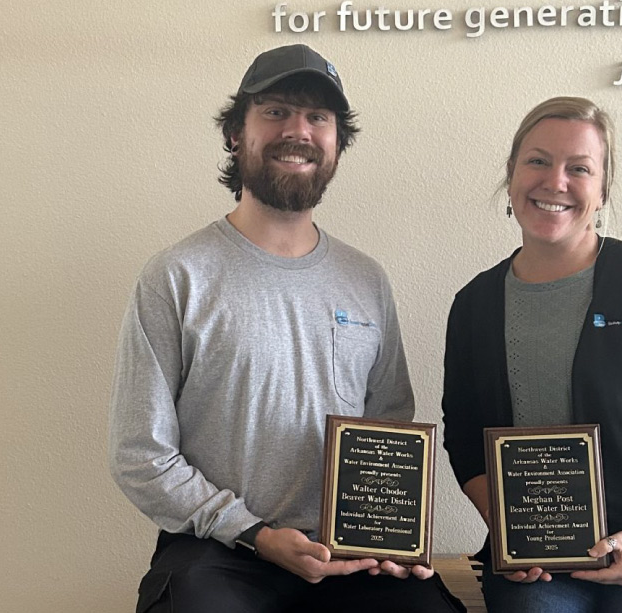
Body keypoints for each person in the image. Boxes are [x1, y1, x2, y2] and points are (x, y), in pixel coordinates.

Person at [109, 44, 463, 613]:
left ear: (336, 146)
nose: (298, 130)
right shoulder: (177, 276)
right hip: (221, 551)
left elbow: (389, 425)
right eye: (276, 111)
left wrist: (391, 530)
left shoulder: (366, 279)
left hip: (350, 554)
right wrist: (258, 534)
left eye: (318, 118)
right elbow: (141, 454)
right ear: (235, 133)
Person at [441, 97, 622, 612]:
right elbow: (462, 433)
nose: (556, 182)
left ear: (601, 190)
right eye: (538, 161)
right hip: (538, 557)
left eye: (579, 168)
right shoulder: (473, 305)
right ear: (511, 175)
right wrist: (508, 535)